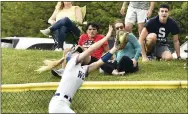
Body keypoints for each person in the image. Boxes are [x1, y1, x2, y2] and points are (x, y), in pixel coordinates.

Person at [36, 25, 121, 113]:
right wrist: (107, 36)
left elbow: (98, 63)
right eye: (76, 52)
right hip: (59, 103)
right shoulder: (72, 62)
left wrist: (114, 48)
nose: (79, 53)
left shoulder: (82, 69)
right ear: (70, 56)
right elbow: (91, 49)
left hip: (64, 104)